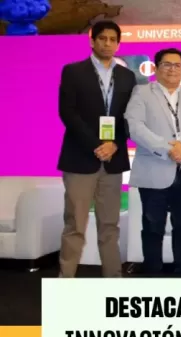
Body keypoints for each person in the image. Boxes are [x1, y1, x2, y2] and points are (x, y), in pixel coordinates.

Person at [57, 20, 136, 278]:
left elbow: (129, 117)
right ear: (93, 41)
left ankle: (113, 281)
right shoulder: (73, 71)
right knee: (75, 225)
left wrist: (115, 144)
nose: (107, 43)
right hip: (80, 159)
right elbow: (67, 113)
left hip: (113, 160)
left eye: (113, 39)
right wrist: (96, 145)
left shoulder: (127, 76)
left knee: (110, 226)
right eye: (102, 38)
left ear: (118, 44)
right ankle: (65, 281)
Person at [125, 48, 181, 276]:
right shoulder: (142, 92)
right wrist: (167, 148)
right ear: (156, 68)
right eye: (167, 64)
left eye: (177, 65)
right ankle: (153, 276)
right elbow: (135, 127)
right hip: (153, 171)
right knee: (152, 227)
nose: (172, 69)